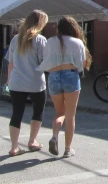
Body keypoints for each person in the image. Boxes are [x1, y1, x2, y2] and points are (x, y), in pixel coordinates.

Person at [38, 16, 92, 158]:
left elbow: (46, 61)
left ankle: (55, 136)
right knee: (70, 115)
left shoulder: (50, 42)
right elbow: (80, 66)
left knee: (59, 112)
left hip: (54, 76)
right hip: (71, 75)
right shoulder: (77, 42)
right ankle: (68, 149)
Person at [6, 10, 48, 157]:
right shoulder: (40, 40)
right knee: (38, 111)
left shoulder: (15, 39)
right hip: (35, 82)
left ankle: (14, 147)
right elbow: (45, 62)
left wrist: (8, 79)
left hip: (16, 82)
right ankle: (32, 141)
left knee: (16, 113)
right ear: (40, 23)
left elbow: (10, 63)